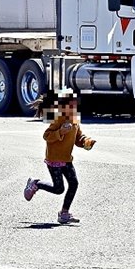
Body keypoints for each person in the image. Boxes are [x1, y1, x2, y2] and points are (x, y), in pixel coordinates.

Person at [23, 90, 95, 224]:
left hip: (67, 159)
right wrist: (60, 131)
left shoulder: (74, 121)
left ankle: (64, 213)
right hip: (54, 160)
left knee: (74, 184)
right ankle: (35, 183)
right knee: (59, 189)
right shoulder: (58, 119)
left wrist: (87, 142)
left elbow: (78, 138)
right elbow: (47, 135)